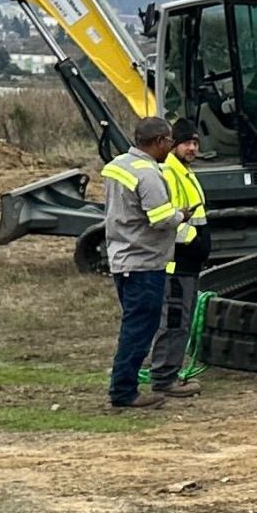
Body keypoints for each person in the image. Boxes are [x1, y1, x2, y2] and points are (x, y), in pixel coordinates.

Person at [103, 116, 185, 409]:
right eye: (170, 142)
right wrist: (181, 216)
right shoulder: (148, 174)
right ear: (160, 141)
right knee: (138, 330)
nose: (171, 147)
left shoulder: (119, 165)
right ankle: (124, 392)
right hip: (144, 263)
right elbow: (160, 217)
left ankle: (123, 387)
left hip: (123, 259)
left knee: (134, 327)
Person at [148, 117, 211, 397]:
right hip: (178, 262)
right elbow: (167, 220)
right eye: (186, 142)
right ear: (173, 145)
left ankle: (168, 374)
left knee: (180, 321)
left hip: (189, 262)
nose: (192, 148)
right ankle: (164, 379)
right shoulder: (170, 173)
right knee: (174, 321)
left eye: (195, 143)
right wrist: (193, 243)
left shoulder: (185, 172)